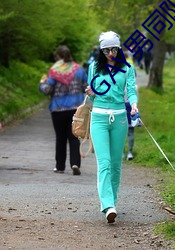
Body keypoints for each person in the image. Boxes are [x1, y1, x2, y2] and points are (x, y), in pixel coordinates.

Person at [85, 31, 138, 223]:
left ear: (119, 48)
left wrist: (133, 104)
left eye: (114, 49)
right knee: (104, 163)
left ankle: (112, 202)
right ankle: (107, 205)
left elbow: (131, 90)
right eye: (106, 50)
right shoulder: (94, 68)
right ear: (101, 50)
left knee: (116, 164)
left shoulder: (127, 68)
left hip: (120, 118)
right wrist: (90, 92)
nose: (110, 53)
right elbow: (91, 97)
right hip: (98, 118)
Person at [39, 45, 88, 175]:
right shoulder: (79, 70)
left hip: (58, 109)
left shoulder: (54, 71)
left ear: (58, 57)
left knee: (60, 138)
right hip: (75, 109)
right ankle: (75, 163)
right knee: (74, 137)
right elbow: (86, 86)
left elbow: (47, 90)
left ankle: (60, 166)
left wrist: (42, 83)